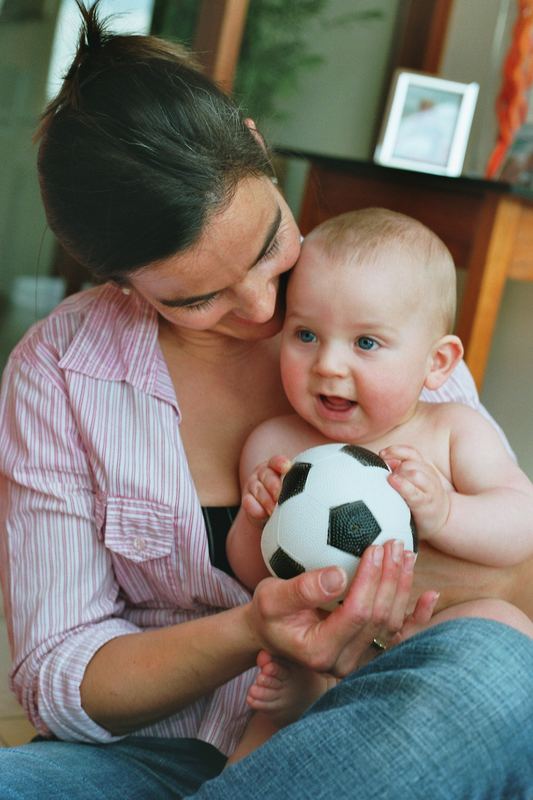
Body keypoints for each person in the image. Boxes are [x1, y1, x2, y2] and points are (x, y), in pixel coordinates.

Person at [0, 3, 532, 798]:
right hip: (142, 756)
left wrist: (410, 581)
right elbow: (61, 678)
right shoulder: (58, 374)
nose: (259, 309)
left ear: (254, 143)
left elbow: (511, 570)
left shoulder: (372, 297)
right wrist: (253, 627)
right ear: (116, 281)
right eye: (195, 298)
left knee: (493, 671)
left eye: (267, 247)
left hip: (355, 730)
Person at [224, 208, 533, 761]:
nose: (329, 365)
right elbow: (256, 574)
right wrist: (255, 521)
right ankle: (306, 699)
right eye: (307, 334)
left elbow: (521, 524)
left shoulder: (453, 432)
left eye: (366, 343)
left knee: (503, 625)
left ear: (437, 363)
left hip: (431, 639)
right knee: (268, 710)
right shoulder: (276, 444)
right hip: (322, 641)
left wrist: (446, 515)